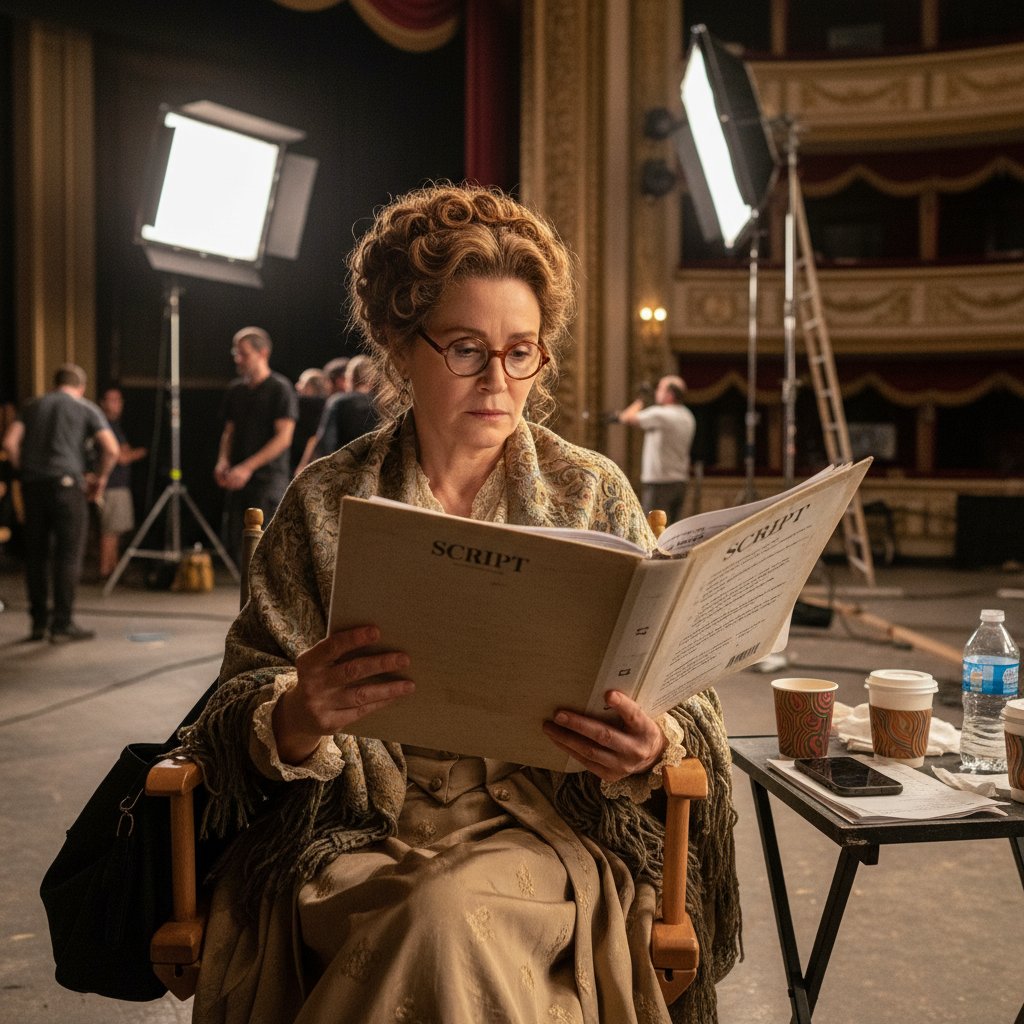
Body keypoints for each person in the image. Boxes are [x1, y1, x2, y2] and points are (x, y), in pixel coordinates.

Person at [178, 184, 739, 1024]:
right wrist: (298, 713)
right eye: (467, 350)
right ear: (402, 349)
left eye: (522, 352)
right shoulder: (328, 499)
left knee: (442, 915)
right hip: (358, 824)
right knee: (426, 912)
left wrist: (652, 739)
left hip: (542, 822)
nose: (499, 380)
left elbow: (681, 690)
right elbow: (233, 704)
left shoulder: (589, 490)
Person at [2, 364, 119, 642]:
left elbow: (9, 443)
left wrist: (24, 469)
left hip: (33, 488)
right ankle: (62, 623)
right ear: (80, 386)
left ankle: (38, 623)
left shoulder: (32, 406)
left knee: (36, 556)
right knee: (67, 555)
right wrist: (100, 480)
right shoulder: (85, 407)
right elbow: (112, 449)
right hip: (67, 487)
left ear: (55, 384)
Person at [213, 326, 297, 563]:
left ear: (263, 354)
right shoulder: (236, 390)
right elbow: (229, 432)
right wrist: (223, 461)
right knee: (238, 550)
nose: (237, 359)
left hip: (267, 481)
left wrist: (247, 467)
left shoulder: (280, 389)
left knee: (265, 551)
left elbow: (284, 438)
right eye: (236, 353)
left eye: (244, 353)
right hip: (238, 479)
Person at [618, 374, 696, 524]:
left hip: (660, 483)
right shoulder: (688, 415)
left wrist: (641, 400)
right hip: (680, 481)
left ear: (670, 394)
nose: (656, 392)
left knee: (653, 531)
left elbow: (626, 417)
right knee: (672, 530)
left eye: (660, 388)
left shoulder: (661, 414)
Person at [294, 354, 379, 473]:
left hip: (343, 471)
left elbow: (326, 442)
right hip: (373, 471)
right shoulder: (381, 404)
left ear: (350, 377)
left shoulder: (338, 401)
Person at [95, 386, 147, 579]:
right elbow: (120, 456)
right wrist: (141, 452)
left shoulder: (114, 426)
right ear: (102, 403)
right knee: (109, 530)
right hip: (111, 484)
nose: (116, 404)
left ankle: (114, 568)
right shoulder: (105, 426)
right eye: (112, 399)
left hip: (118, 484)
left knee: (115, 530)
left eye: (119, 400)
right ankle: (105, 570)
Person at [291, 368, 329, 474]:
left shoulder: (307, 406)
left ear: (310, 387)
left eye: (301, 382)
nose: (297, 386)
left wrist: (303, 465)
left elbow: (314, 437)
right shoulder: (327, 405)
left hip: (302, 464)